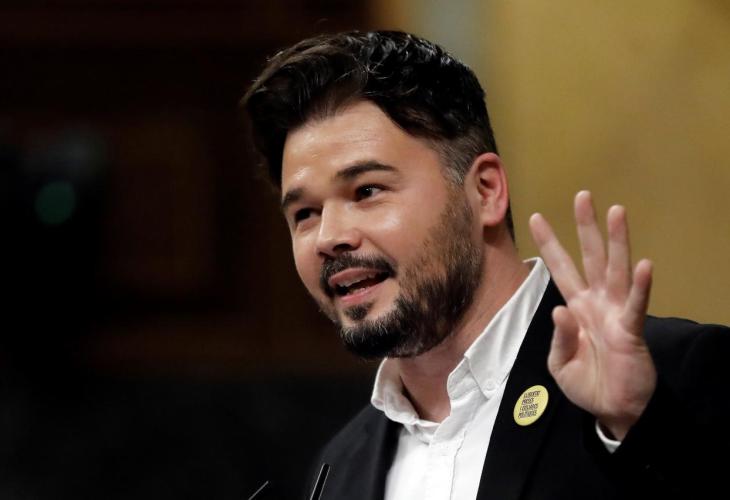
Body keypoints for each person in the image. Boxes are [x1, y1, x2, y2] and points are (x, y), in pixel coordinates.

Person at [241, 31, 729, 500]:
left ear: (485, 191)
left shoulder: (674, 378)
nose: (328, 237)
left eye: (366, 191)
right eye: (304, 214)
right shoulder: (340, 469)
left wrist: (643, 429)